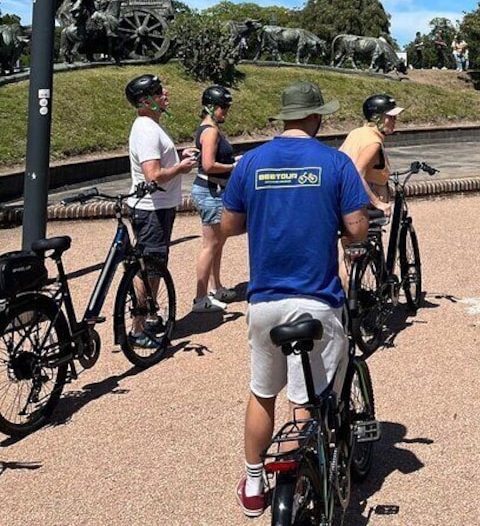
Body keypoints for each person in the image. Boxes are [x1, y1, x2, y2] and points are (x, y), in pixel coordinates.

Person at [221, 81, 369, 518]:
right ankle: (302, 471)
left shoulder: (251, 163)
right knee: (305, 398)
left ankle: (252, 483)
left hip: (265, 300)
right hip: (317, 299)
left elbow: (229, 224)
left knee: (262, 392)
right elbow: (357, 228)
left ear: (283, 117)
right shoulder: (334, 163)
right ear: (317, 116)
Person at [125, 74, 196, 346]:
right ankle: (137, 329)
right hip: (151, 209)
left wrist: (179, 156)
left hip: (160, 207)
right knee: (148, 269)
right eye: (158, 92)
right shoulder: (145, 128)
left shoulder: (151, 126)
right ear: (146, 101)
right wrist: (181, 167)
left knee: (153, 266)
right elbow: (152, 175)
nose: (165, 93)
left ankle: (149, 317)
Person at [190, 85, 239, 313]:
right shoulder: (210, 131)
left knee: (218, 243)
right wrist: (234, 166)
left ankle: (216, 287)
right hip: (210, 191)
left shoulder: (207, 128)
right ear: (211, 106)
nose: (225, 112)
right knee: (210, 245)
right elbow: (208, 165)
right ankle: (201, 298)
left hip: (213, 190)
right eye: (223, 107)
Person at [339, 94, 404, 215]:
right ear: (376, 117)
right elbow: (356, 173)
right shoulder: (373, 143)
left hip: (344, 203)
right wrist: (378, 203)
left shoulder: (357, 133)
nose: (395, 121)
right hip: (363, 209)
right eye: (391, 117)